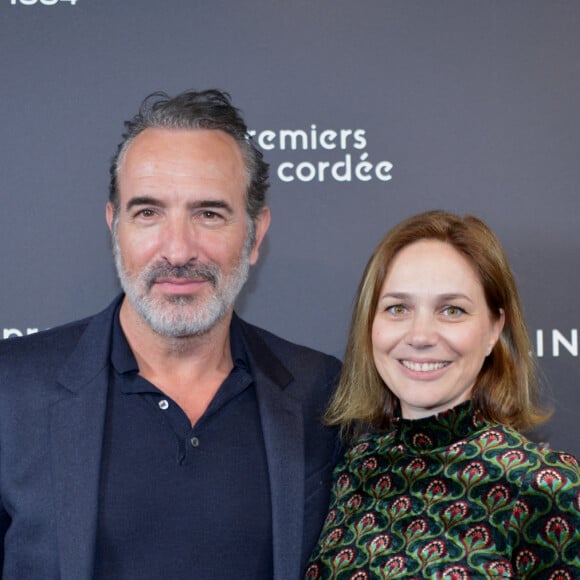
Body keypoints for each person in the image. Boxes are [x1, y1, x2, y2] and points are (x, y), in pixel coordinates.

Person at [0, 89, 341, 580]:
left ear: (255, 234)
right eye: (148, 213)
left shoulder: (321, 394)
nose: (178, 250)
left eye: (209, 213)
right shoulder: (12, 390)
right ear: (114, 226)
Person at [306, 210, 580, 579]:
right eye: (397, 308)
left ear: (494, 329)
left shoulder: (547, 486)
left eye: (452, 310)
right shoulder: (353, 468)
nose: (420, 336)